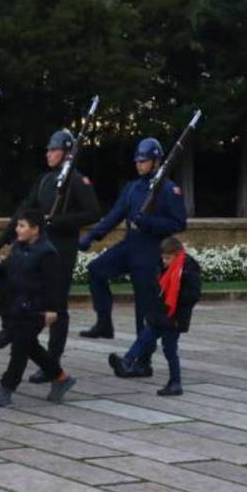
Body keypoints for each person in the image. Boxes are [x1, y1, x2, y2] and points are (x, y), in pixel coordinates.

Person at [0, 128, 101, 384]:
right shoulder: (46, 180)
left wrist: (57, 221)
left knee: (56, 306)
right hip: (38, 250)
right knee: (4, 278)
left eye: (54, 149)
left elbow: (93, 213)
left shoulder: (77, 181)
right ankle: (8, 327)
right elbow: (25, 210)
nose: (48, 154)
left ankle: (53, 362)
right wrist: (4, 238)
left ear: (67, 152)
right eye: (48, 149)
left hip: (61, 251)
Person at [78, 137, 187, 340]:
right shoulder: (133, 187)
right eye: (137, 161)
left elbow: (179, 223)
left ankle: (141, 356)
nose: (139, 165)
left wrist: (149, 222)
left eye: (143, 161)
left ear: (156, 162)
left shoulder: (168, 189)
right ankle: (104, 323)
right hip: (131, 244)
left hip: (151, 248)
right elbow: (115, 215)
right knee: (96, 270)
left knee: (143, 304)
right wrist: (93, 236)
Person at [0, 210, 77, 407]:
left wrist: (53, 310)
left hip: (37, 308)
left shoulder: (47, 253)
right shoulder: (19, 247)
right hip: (19, 306)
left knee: (19, 348)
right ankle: (61, 378)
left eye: (22, 226)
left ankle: (6, 389)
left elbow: (55, 284)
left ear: (35, 230)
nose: (17, 230)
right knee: (30, 346)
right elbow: (7, 269)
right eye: (17, 225)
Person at [108, 236, 201, 396]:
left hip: (174, 317)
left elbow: (192, 295)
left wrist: (176, 301)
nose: (164, 261)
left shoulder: (187, 269)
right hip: (160, 313)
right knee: (144, 338)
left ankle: (175, 382)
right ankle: (126, 362)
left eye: (167, 258)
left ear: (177, 254)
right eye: (163, 257)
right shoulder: (166, 267)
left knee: (170, 350)